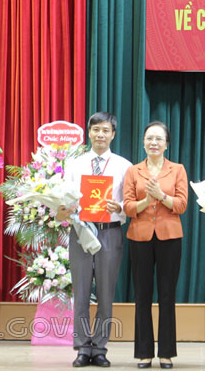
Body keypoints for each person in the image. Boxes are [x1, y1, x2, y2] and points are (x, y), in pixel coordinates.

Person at [57, 112, 132, 368]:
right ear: (89, 132)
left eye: (106, 130)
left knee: (105, 293)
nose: (101, 134)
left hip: (110, 231)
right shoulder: (74, 164)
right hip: (80, 231)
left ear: (113, 134)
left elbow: (129, 203)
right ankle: (82, 347)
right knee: (80, 291)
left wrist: (119, 207)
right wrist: (65, 209)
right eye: (96, 129)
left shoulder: (124, 166)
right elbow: (63, 199)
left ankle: (99, 347)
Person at [123, 121, 188, 370]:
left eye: (159, 139)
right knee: (142, 295)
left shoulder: (177, 169)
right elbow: (128, 206)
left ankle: (167, 353)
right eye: (149, 138)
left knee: (167, 295)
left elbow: (181, 205)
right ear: (143, 142)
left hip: (169, 237)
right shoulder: (133, 171)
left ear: (166, 144)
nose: (154, 142)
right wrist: (146, 201)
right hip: (139, 237)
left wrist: (161, 196)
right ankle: (144, 353)